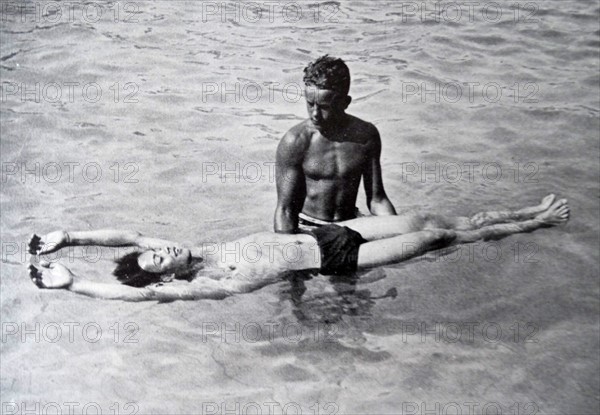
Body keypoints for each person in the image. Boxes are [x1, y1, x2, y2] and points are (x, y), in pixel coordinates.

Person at [27, 195, 569, 302]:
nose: (163, 248)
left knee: (431, 218)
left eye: (158, 249)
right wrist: (74, 283)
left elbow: (129, 235)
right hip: (335, 259)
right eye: (160, 259)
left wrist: (69, 237)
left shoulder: (199, 248)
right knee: (439, 238)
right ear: (167, 277)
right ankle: (536, 226)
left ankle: (522, 211)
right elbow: (140, 299)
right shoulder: (212, 284)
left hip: (322, 234)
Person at [275, 55, 396, 233]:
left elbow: (377, 200)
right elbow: (285, 210)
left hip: (351, 224)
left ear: (344, 103)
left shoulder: (366, 136)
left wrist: (397, 230)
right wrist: (287, 246)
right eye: (310, 104)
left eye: (324, 107)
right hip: (308, 227)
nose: (314, 114)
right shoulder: (296, 141)